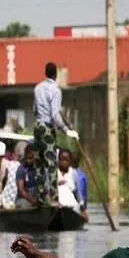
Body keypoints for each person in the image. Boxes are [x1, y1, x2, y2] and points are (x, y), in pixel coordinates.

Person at [33, 62, 79, 207]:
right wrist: (67, 130)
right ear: (56, 74)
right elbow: (55, 115)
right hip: (47, 128)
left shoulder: (37, 88)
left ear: (45, 73)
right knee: (52, 164)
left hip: (37, 127)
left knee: (39, 163)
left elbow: (34, 109)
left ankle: (41, 197)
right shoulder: (55, 90)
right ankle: (53, 198)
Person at [56, 149, 88, 222]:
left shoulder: (73, 173)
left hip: (71, 207)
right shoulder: (54, 172)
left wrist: (83, 210)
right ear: (58, 160)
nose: (64, 162)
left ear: (70, 162)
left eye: (66, 160)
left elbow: (77, 193)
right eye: (61, 160)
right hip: (56, 207)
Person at [15, 145, 38, 209]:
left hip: (35, 196)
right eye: (27, 158)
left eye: (30, 158)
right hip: (24, 198)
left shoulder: (37, 168)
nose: (28, 160)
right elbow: (21, 190)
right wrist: (32, 200)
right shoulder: (21, 169)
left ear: (34, 157)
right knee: (24, 204)